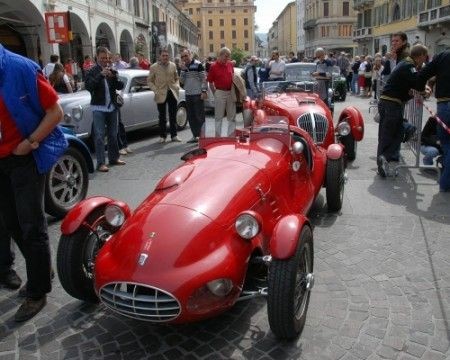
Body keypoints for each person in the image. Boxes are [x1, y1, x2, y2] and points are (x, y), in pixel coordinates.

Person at [0, 44, 68, 321]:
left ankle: (37, 291)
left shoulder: (21, 68)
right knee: (11, 222)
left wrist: (30, 143)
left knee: (32, 225)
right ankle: (41, 268)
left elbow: (56, 114)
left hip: (24, 158)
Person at [377, 44, 429, 177]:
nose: (425, 60)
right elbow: (417, 83)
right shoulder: (409, 66)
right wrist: (425, 91)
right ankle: (383, 158)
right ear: (421, 55)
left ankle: (383, 158)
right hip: (391, 103)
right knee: (391, 134)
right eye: (425, 57)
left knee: (395, 132)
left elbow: (407, 86)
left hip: (388, 102)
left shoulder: (405, 64)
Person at [85, 46, 126, 172]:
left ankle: (114, 158)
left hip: (112, 106)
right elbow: (89, 86)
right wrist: (101, 75)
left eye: (108, 58)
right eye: (103, 58)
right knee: (99, 136)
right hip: (99, 107)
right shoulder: (92, 71)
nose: (106, 60)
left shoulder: (112, 70)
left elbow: (120, 85)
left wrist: (114, 76)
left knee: (113, 134)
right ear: (97, 58)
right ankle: (101, 163)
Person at [418, 49, 450, 191]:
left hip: (444, 104)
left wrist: (420, 90)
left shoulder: (443, 55)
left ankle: (445, 183)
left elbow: (423, 74)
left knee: (447, 144)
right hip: (443, 105)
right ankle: (445, 182)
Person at [148, 48, 182, 143]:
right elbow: (149, 81)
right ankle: (162, 136)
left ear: (169, 56)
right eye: (163, 55)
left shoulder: (173, 65)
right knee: (162, 116)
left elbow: (176, 78)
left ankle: (174, 135)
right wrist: (155, 90)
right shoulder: (154, 67)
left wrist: (177, 86)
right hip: (160, 93)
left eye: (167, 55)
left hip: (172, 92)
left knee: (173, 115)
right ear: (160, 56)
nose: (165, 57)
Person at [179, 49, 208, 143]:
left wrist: (204, 91)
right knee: (191, 117)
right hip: (188, 94)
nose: (184, 58)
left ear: (190, 55)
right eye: (182, 56)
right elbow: (182, 82)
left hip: (198, 94)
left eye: (186, 55)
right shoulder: (183, 67)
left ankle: (202, 137)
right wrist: (182, 71)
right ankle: (195, 136)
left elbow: (204, 79)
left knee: (199, 116)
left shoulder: (198, 64)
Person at [207, 47, 236, 136]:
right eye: (226, 56)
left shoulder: (230, 64)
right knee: (219, 116)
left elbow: (233, 77)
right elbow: (210, 81)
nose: (227, 58)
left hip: (230, 92)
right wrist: (215, 93)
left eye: (229, 57)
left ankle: (231, 137)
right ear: (220, 55)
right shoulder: (213, 66)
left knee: (232, 116)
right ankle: (218, 137)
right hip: (219, 92)